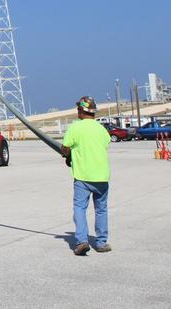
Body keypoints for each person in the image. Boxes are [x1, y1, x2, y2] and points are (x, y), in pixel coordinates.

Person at [61, 95, 112, 256]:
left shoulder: (75, 128)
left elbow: (65, 148)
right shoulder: (101, 129)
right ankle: (102, 242)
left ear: (81, 111)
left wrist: (68, 156)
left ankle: (82, 241)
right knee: (101, 210)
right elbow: (105, 144)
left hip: (83, 176)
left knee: (80, 208)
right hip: (102, 176)